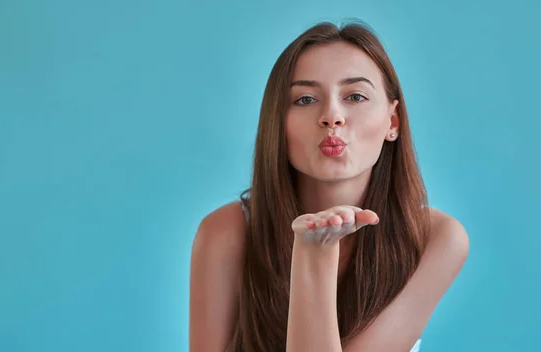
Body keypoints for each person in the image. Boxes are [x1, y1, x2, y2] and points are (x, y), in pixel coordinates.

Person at [189, 20, 469, 352]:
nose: (332, 116)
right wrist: (312, 248)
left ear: (392, 122)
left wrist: (315, 252)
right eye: (305, 99)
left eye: (355, 96)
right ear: (277, 124)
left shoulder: (435, 238)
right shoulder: (225, 233)